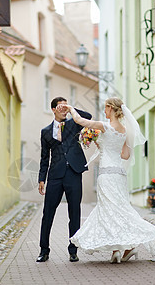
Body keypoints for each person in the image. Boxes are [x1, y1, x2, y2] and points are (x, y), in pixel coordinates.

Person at [57, 97, 155, 263]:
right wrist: (105, 147)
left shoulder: (104, 126)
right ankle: (120, 248)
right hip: (119, 174)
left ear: (110, 108)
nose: (104, 111)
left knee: (109, 210)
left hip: (107, 174)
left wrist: (71, 108)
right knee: (119, 208)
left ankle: (124, 247)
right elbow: (126, 155)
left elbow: (80, 120)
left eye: (105, 108)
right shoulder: (124, 130)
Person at [37, 97, 92, 263]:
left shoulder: (74, 123)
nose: (63, 109)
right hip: (55, 175)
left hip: (74, 173)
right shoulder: (45, 131)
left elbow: (88, 116)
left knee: (74, 212)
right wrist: (41, 179)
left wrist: (71, 108)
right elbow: (44, 157)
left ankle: (73, 250)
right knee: (48, 214)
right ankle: (44, 250)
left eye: (64, 106)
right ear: (53, 109)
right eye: (60, 106)